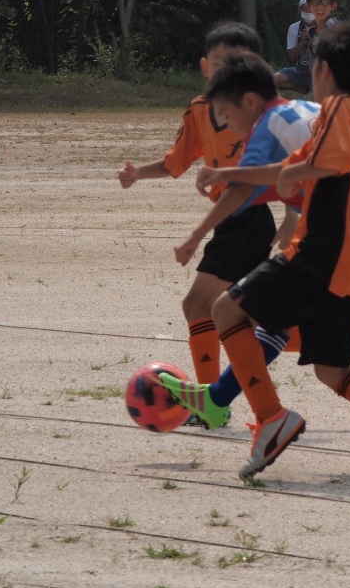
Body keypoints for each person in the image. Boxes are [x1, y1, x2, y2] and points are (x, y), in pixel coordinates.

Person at [163, 51, 350, 449]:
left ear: (248, 102)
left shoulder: (266, 128)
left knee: (264, 315)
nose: (226, 126)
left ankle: (227, 403)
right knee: (343, 338)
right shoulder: (308, 109)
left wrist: (195, 235)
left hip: (341, 233)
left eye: (225, 115)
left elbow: (241, 191)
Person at [115, 21, 270, 390]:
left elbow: (245, 186)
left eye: (235, 64)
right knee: (245, 318)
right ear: (204, 67)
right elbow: (175, 163)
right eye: (218, 63)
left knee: (199, 307)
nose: (225, 71)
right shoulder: (199, 111)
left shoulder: (255, 113)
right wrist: (137, 173)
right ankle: (327, 341)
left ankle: (210, 402)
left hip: (247, 218)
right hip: (233, 219)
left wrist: (195, 236)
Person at [273, 0, 339, 94]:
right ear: (299, 10)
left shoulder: (328, 24)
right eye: (304, 9)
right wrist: (302, 42)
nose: (308, 12)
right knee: (275, 79)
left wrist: (314, 43)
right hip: (302, 71)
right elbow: (292, 56)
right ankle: (304, 90)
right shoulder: (294, 28)